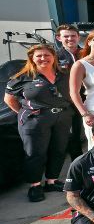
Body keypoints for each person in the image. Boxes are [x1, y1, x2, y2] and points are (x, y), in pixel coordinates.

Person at [4, 44, 74, 202]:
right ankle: (35, 186)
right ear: (32, 58)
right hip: (35, 120)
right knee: (36, 153)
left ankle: (52, 181)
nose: (44, 58)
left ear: (54, 57)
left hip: (62, 117)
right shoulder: (22, 77)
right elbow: (9, 99)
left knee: (59, 149)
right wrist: (26, 112)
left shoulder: (64, 74)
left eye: (47, 55)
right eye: (39, 56)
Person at [55, 23, 85, 159]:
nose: (70, 39)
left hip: (88, 98)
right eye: (66, 36)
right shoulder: (54, 56)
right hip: (67, 102)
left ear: (78, 37)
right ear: (58, 38)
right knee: (73, 134)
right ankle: (77, 163)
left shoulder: (86, 53)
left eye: (73, 36)